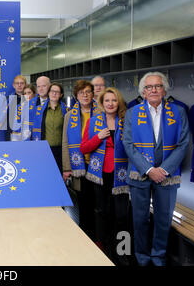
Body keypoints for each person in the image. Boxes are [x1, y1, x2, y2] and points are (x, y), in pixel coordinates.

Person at [123, 72, 190, 266]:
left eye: (158, 86)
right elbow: (128, 144)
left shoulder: (178, 112)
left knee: (163, 220)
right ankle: (141, 257)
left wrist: (164, 170)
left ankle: (158, 256)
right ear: (143, 92)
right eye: (149, 87)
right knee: (140, 219)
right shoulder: (132, 112)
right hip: (140, 174)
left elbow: (183, 143)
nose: (153, 90)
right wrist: (149, 169)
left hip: (167, 176)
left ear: (164, 90)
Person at [80, 87, 130, 265]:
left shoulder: (127, 121)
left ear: (119, 103)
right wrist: (98, 137)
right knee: (102, 213)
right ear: (102, 103)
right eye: (107, 100)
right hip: (100, 175)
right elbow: (84, 148)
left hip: (122, 175)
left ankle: (122, 250)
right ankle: (103, 248)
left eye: (114, 100)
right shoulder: (93, 122)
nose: (110, 103)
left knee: (122, 215)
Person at [62, 79, 98, 241]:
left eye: (88, 92)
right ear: (76, 96)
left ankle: (99, 238)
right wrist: (66, 167)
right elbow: (65, 142)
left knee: (99, 204)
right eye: (81, 92)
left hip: (98, 165)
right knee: (83, 203)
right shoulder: (70, 115)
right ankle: (85, 237)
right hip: (79, 165)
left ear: (93, 94)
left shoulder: (101, 112)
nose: (85, 95)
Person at [31, 83, 68, 171]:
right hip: (44, 149)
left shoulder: (67, 111)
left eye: (57, 92)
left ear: (61, 95)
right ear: (48, 93)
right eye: (52, 91)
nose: (54, 94)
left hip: (60, 151)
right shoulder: (38, 110)